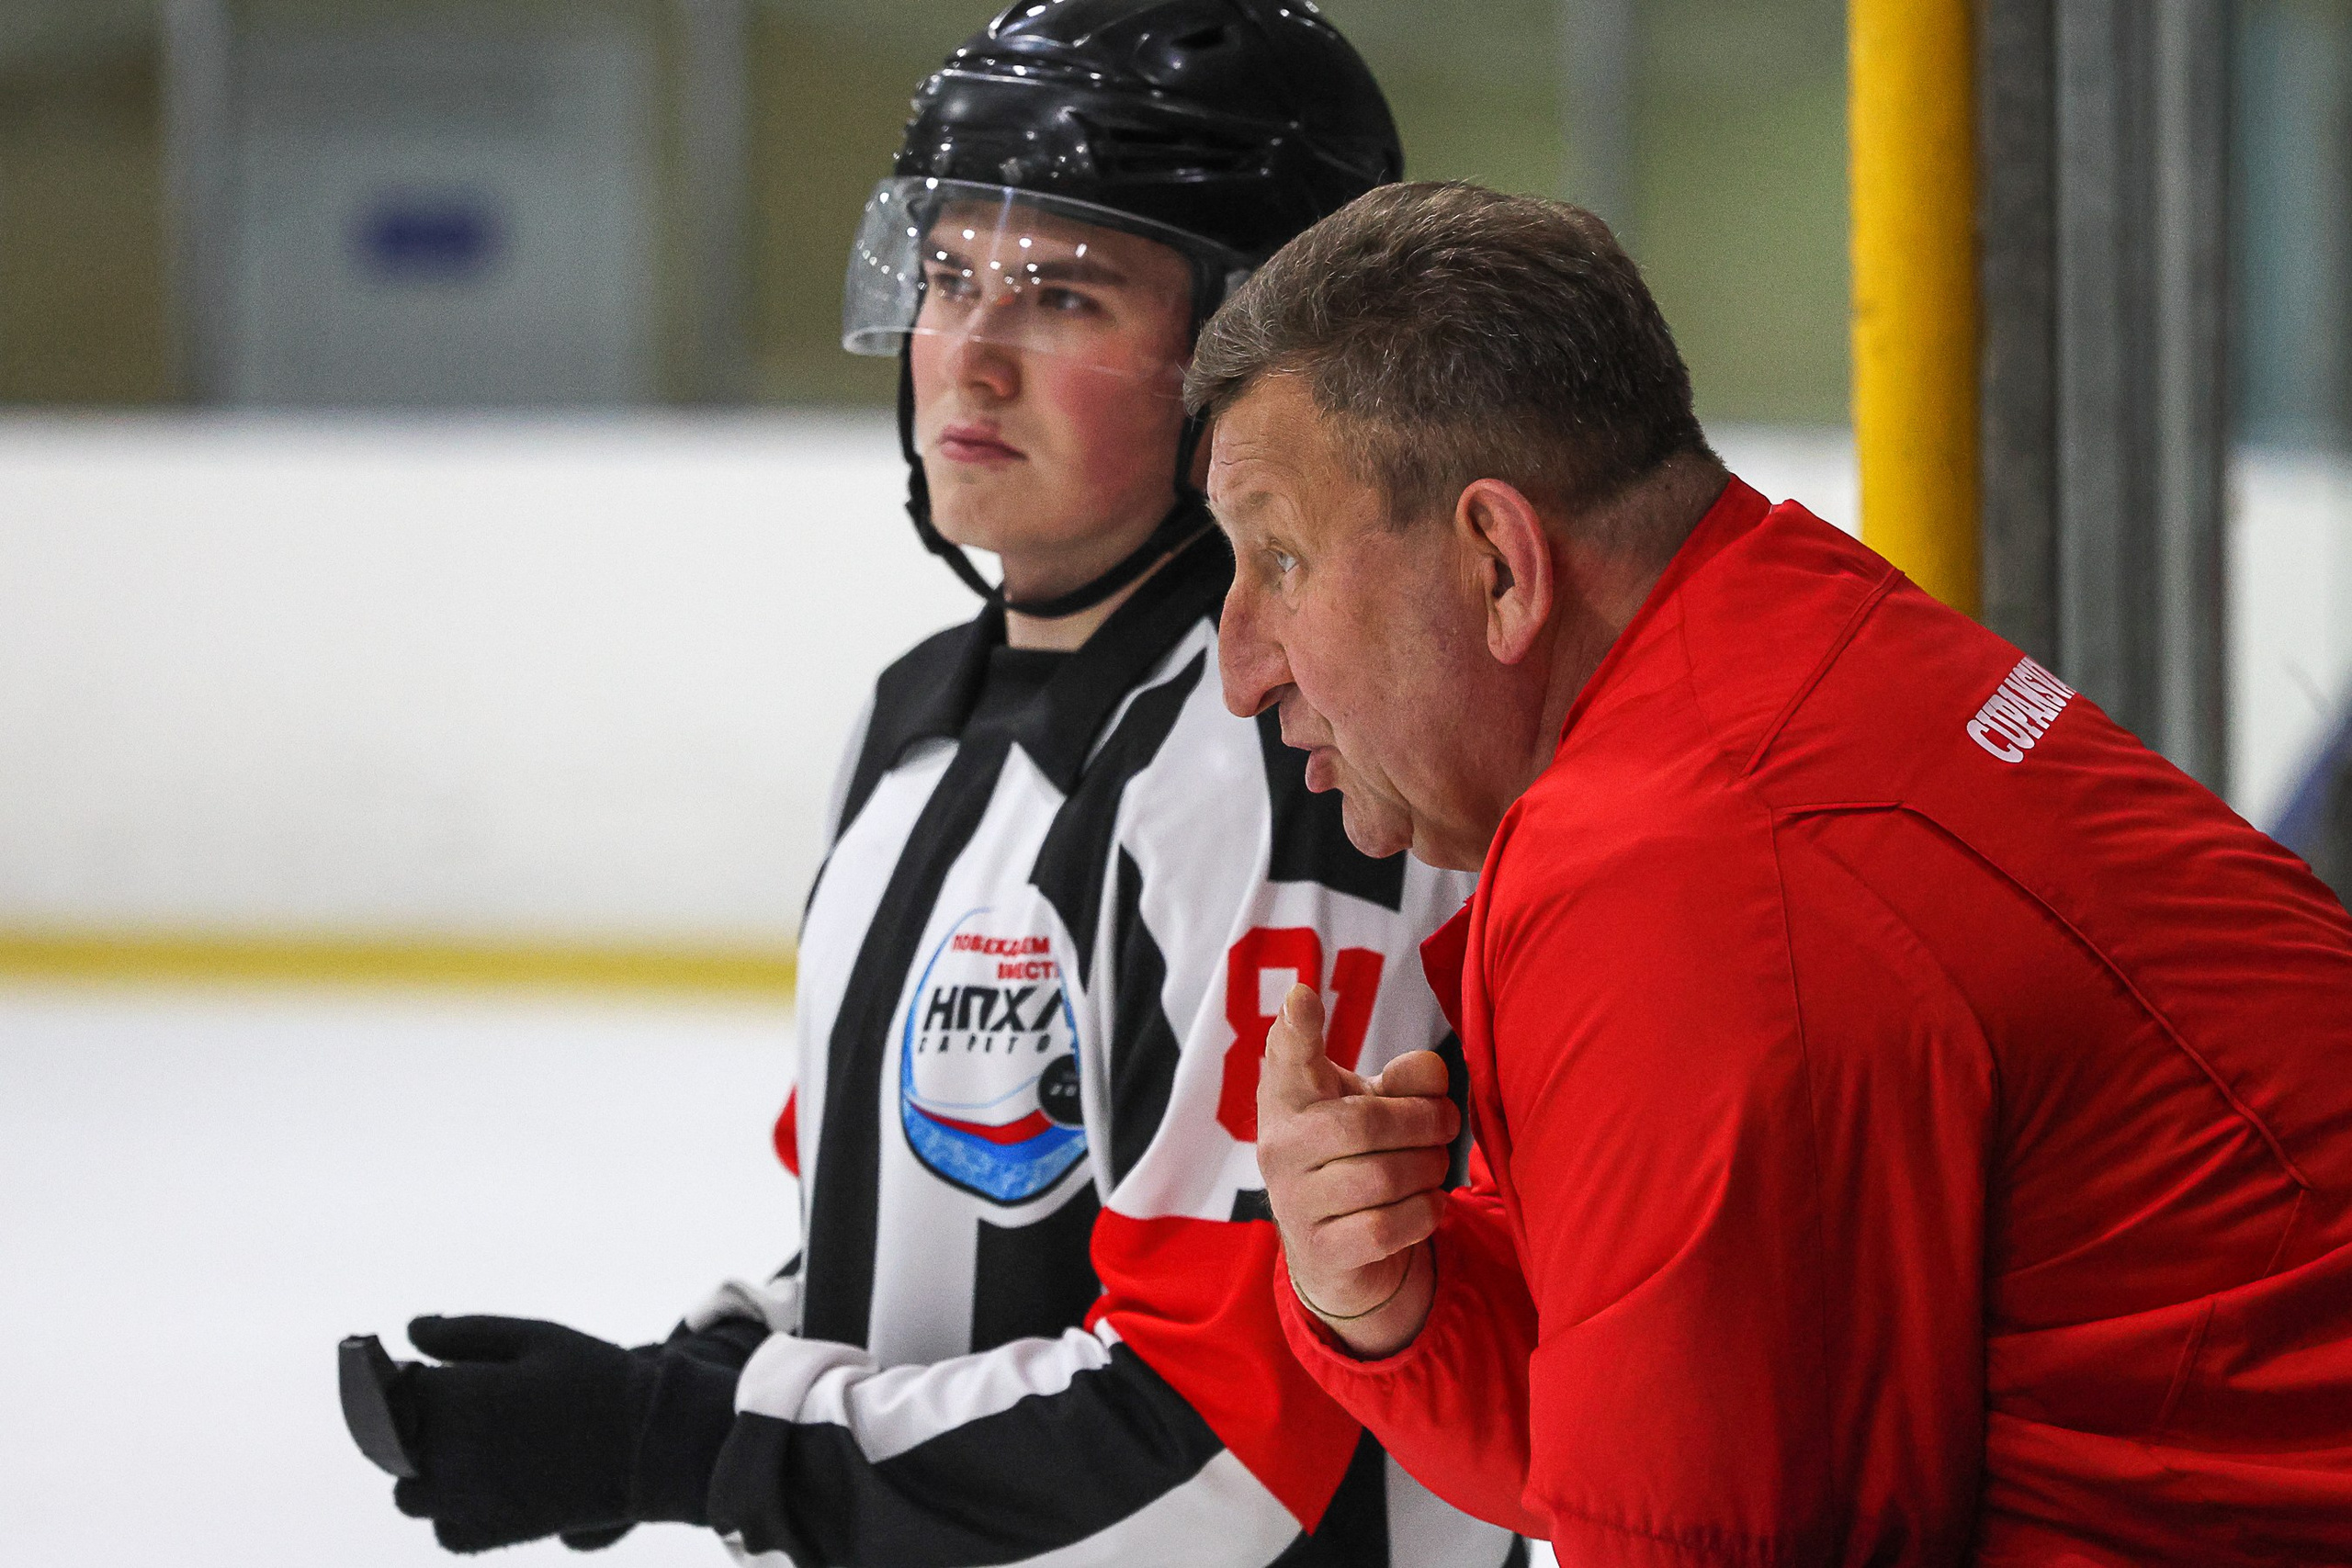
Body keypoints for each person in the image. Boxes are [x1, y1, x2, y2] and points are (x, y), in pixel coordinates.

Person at [359, 9, 1523, 1566]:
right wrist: (701, 1370)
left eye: (1062, 295)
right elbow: (919, 1233)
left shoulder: (1286, 749)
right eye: (952, 275)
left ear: (1245, 362)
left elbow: (1225, 1457)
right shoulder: (917, 715)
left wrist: (701, 1441)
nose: (969, 352)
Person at [1190, 181, 2352, 1566]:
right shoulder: (1778, 646)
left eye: (1282, 559)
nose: (1242, 662)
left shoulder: (1683, 865)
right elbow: (1685, 1412)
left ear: (1500, 563)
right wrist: (1398, 1296)